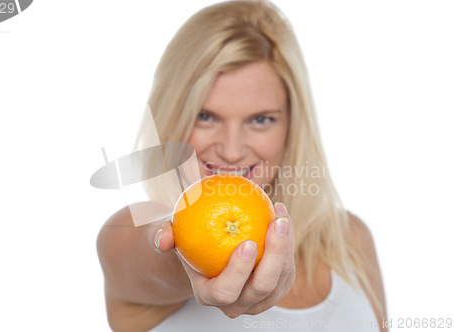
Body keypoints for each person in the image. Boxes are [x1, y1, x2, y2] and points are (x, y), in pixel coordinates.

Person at [96, 1, 387, 331]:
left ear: (292, 125)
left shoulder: (349, 239)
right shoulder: (126, 235)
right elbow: (157, 255)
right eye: (205, 116)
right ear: (170, 117)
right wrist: (192, 255)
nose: (231, 151)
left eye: (260, 119)